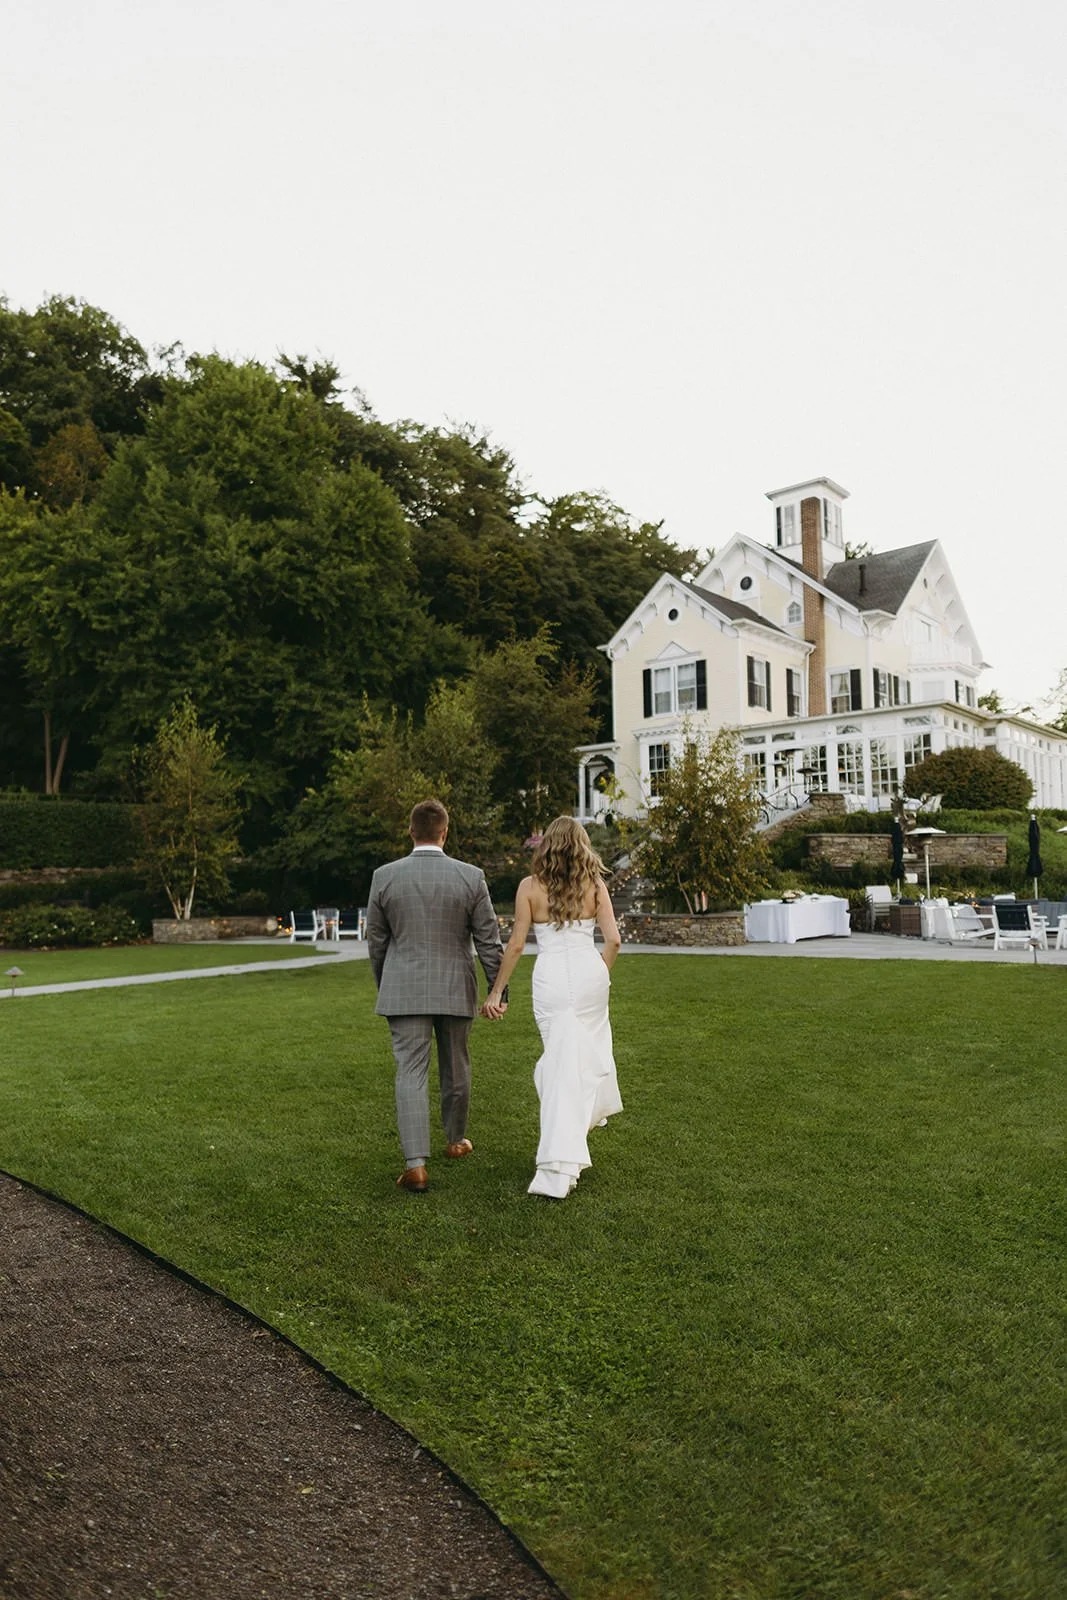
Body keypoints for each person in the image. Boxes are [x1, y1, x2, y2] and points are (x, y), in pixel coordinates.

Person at [366, 798, 506, 1194]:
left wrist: (384, 981)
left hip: (404, 986)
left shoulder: (384, 876)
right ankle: (456, 1140)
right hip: (455, 984)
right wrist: (499, 988)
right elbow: (489, 940)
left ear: (411, 831)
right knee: (456, 1066)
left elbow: (376, 940)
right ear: (445, 832)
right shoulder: (471, 876)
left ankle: (415, 1166)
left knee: (410, 1071)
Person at [483, 816, 623, 1199]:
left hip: (552, 981)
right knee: (575, 1060)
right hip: (590, 975)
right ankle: (570, 1143)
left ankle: (557, 1163)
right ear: (582, 845)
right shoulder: (595, 885)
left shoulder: (530, 887)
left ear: (546, 845)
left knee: (560, 1062)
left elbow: (514, 946)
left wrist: (497, 991)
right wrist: (599, 974)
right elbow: (613, 941)